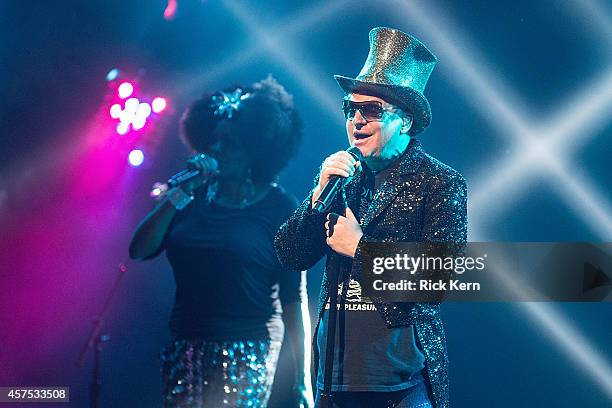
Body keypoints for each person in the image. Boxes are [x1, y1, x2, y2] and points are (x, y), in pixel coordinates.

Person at [274, 28, 467, 408]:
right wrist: (317, 197)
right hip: (334, 379)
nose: (356, 119)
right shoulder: (343, 175)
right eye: (351, 109)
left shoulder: (440, 182)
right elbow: (290, 255)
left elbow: (439, 280)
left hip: (400, 386)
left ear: (406, 122)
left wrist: (361, 248)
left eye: (372, 110)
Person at [129, 76, 313, 408]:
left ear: (254, 153)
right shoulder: (191, 198)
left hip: (246, 352)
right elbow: (139, 249)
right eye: (214, 141)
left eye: (229, 144)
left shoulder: (279, 208)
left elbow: (293, 300)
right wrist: (179, 193)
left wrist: (302, 382)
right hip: (184, 349)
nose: (216, 150)